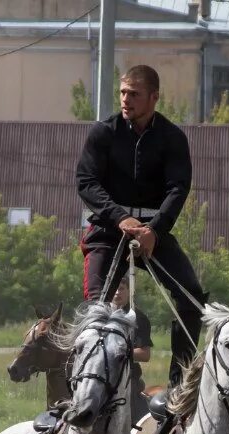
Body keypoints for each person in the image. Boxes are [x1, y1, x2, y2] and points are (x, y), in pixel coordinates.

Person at [75, 64, 204, 388]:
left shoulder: (172, 138)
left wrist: (154, 231)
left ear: (154, 97)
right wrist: (119, 217)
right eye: (122, 92)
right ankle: (89, 384)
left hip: (154, 231)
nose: (125, 99)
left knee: (192, 298)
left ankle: (180, 384)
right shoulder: (103, 133)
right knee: (96, 308)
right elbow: (86, 182)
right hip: (108, 230)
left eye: (133, 94)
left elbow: (178, 188)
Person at [110, 276, 152, 424]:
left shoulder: (138, 318)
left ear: (129, 291)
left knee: (140, 425)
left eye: (121, 288)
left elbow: (145, 354)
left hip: (128, 382)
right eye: (114, 288)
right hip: (101, 378)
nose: (117, 293)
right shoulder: (101, 316)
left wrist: (119, 352)